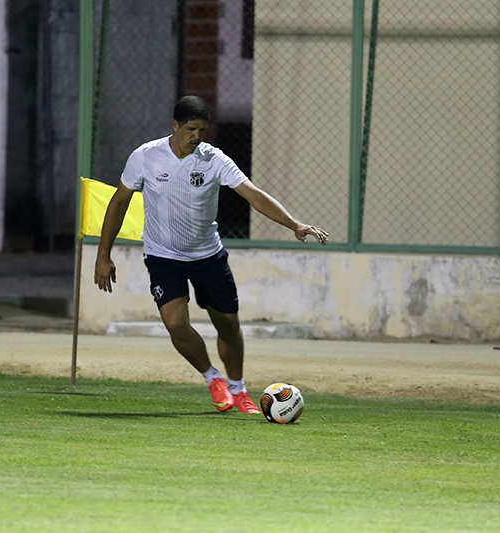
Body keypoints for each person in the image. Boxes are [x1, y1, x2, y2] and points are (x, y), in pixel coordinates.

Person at [94, 95, 329, 414]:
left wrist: (294, 224)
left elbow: (254, 196)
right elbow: (119, 202)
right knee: (175, 324)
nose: (197, 136)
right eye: (191, 129)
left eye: (202, 130)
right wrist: (103, 254)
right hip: (163, 256)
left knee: (229, 325)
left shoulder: (214, 159)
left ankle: (239, 388)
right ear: (175, 125)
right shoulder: (145, 156)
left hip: (207, 256)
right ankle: (212, 377)